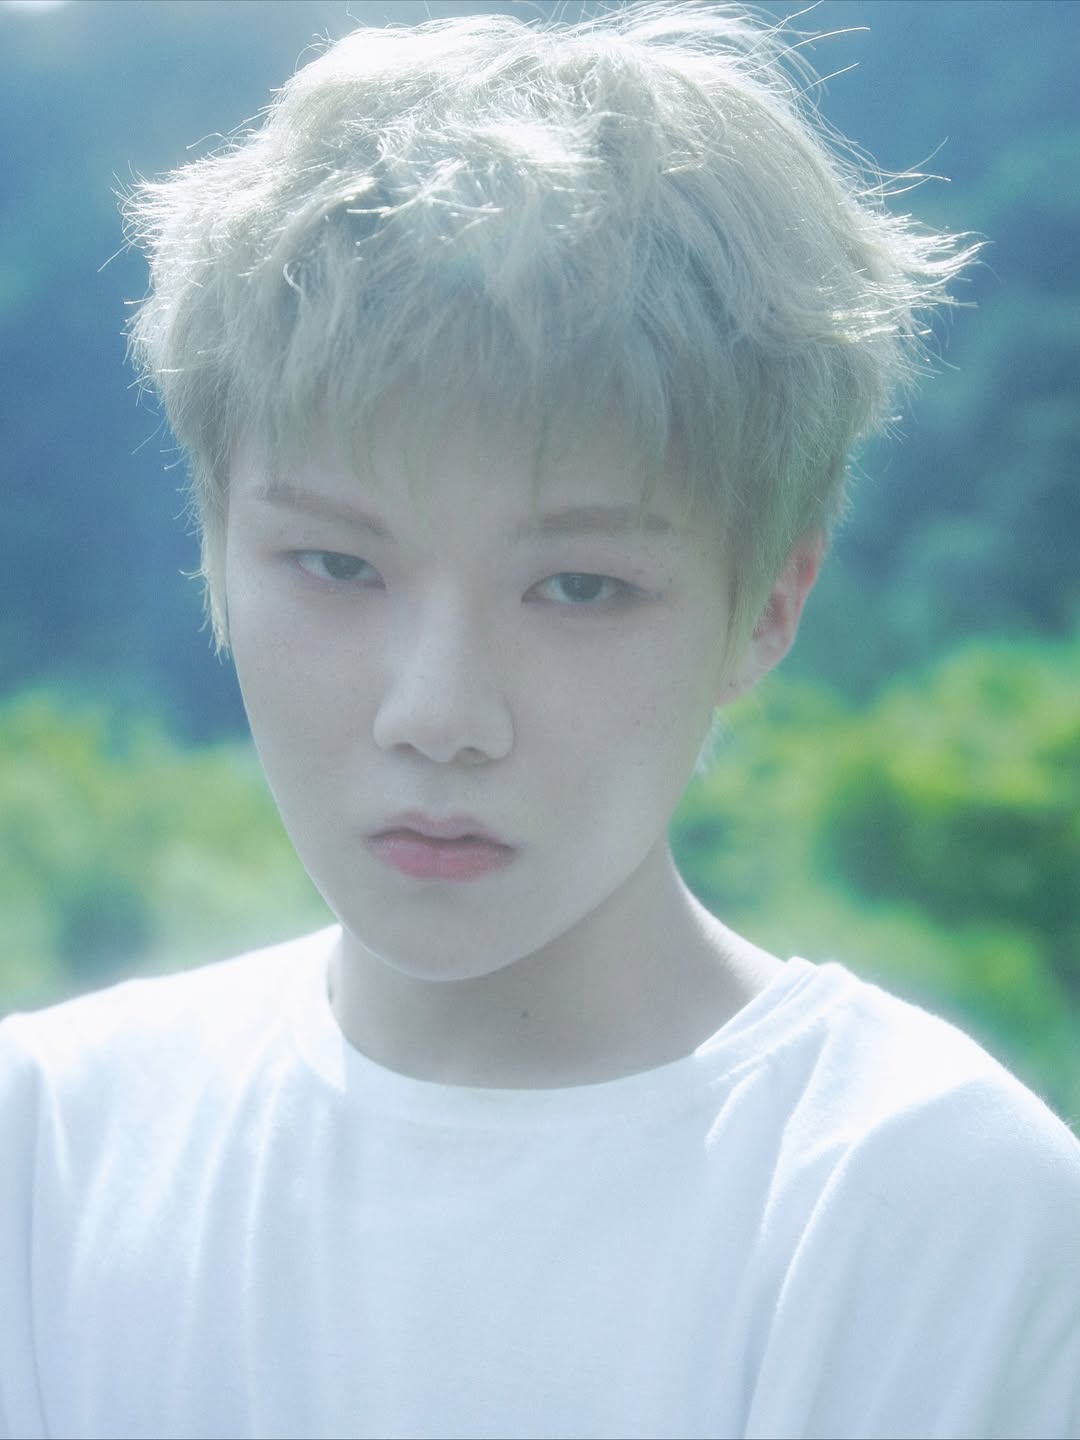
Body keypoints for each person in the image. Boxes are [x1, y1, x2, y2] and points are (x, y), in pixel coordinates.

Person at [2, 4, 1078, 1437]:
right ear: (214, 542)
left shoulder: (916, 1205)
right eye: (336, 566)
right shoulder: (50, 1149)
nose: (439, 713)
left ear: (769, 602)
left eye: (580, 587)